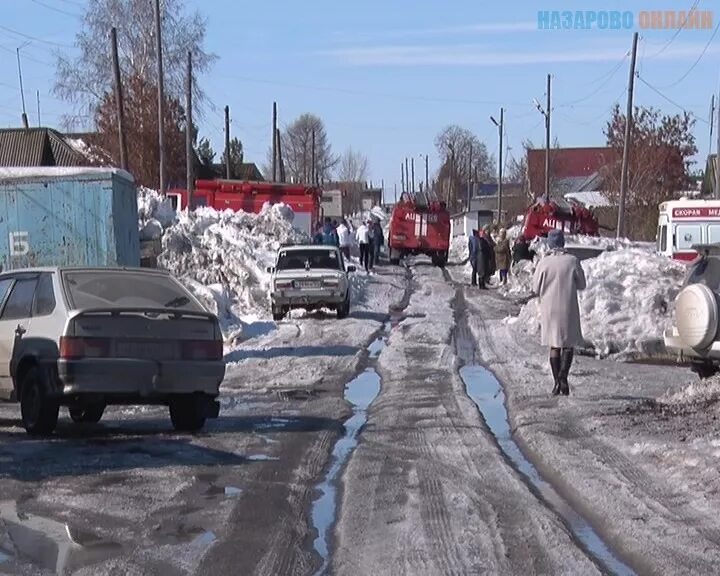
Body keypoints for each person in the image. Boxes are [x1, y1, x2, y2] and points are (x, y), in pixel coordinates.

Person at [532, 229, 587, 396]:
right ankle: (563, 377)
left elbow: (535, 288)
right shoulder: (572, 261)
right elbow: (582, 284)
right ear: (563, 242)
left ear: (549, 243)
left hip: (549, 308)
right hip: (568, 307)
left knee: (554, 345)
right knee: (567, 345)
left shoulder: (544, 263)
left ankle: (557, 381)